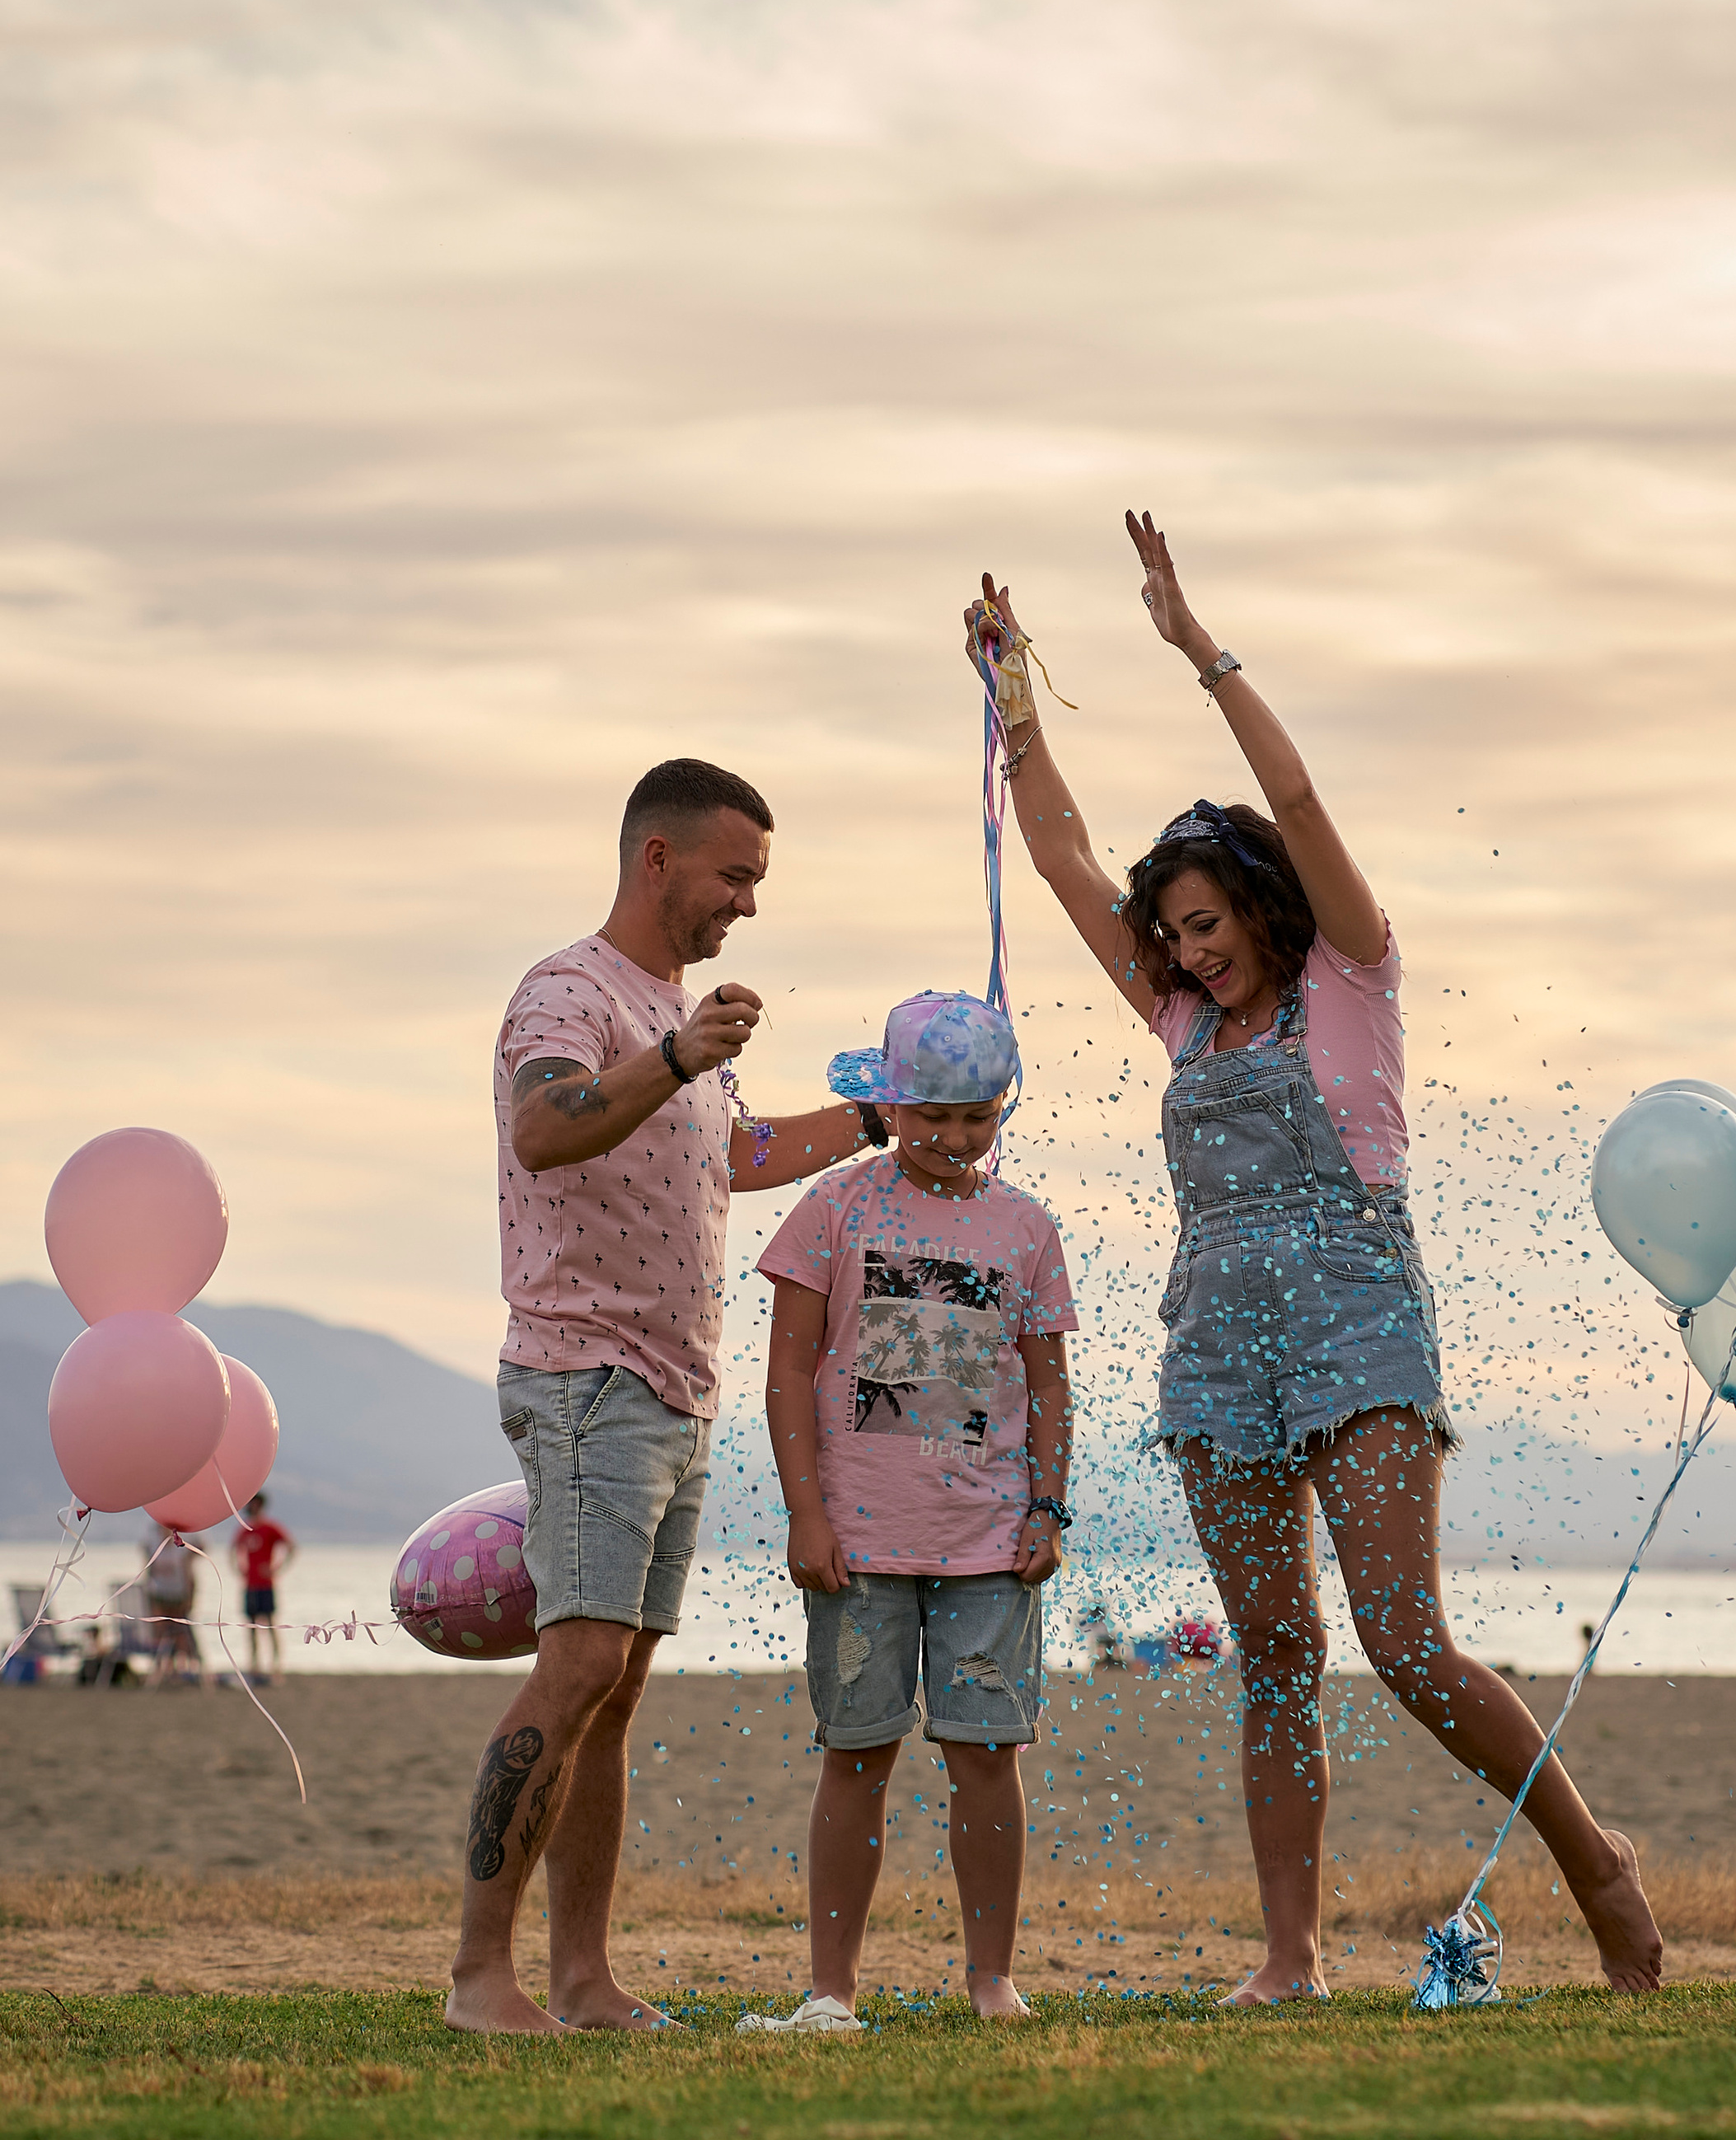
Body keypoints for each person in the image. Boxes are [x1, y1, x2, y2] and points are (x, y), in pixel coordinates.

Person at [966, 515, 1662, 2001]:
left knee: (1405, 1644)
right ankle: (1290, 1964)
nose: (1189, 951)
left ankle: (1598, 1863)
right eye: (1171, 934)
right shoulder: (1178, 1018)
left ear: (1259, 903)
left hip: (1356, 1318)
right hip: (1215, 1332)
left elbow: (1292, 788)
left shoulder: (1353, 972)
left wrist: (1192, 646)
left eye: (1206, 922)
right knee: (1276, 1649)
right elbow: (1060, 848)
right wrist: (1014, 690)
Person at [447, 756, 901, 2038]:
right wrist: (671, 1050)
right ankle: (483, 1977)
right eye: (735, 876)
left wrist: (877, 1118)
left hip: (675, 1392)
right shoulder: (568, 992)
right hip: (586, 1378)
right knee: (578, 1662)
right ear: (659, 860)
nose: (747, 903)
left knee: (618, 1687)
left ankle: (586, 1981)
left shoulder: (674, 1017)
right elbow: (546, 1127)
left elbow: (738, 1152)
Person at [738, 991, 1075, 2035]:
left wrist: (1048, 1509)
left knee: (985, 1758)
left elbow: (1050, 1383)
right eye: (932, 1114)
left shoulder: (1025, 1228)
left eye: (977, 1116)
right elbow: (788, 1370)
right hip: (857, 1544)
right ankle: (831, 1987)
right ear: (887, 1101)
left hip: (987, 1544)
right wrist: (808, 1516)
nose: (953, 1137)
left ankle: (990, 1978)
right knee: (857, 1753)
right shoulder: (835, 1209)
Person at [234, 1493, 295, 1680]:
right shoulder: (244, 1528)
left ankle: (276, 1666)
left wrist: (276, 1569)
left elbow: (291, 1547)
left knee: (270, 1625)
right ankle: (254, 1665)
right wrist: (240, 1569)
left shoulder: (270, 1527)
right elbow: (234, 1550)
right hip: (250, 1585)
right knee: (251, 1627)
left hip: (266, 1585)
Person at [141, 1534, 200, 1687]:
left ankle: (174, 1668)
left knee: (174, 1628)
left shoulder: (178, 1551)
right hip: (166, 1599)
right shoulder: (161, 1549)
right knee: (172, 1629)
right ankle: (173, 1668)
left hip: (174, 1599)